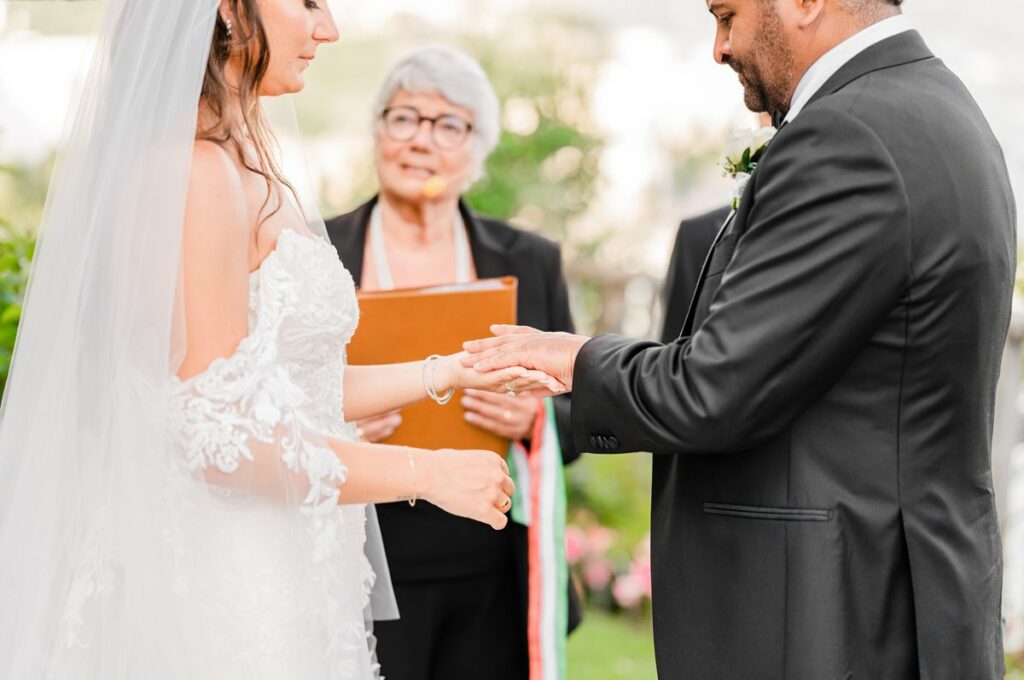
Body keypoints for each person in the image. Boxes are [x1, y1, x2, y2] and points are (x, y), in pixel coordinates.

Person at [0, 2, 562, 679]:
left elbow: (296, 387)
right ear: (227, 12)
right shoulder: (197, 174)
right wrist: (427, 473)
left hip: (292, 564)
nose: (328, 29)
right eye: (307, 3)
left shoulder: (247, 168)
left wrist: (449, 369)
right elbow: (219, 436)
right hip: (224, 579)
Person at [462, 1, 1017, 678]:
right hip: (900, 591)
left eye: (728, 14)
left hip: (826, 615)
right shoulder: (941, 110)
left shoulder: (848, 134)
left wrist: (576, 358)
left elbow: (714, 387)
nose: (718, 47)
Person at [325, 45, 581, 680]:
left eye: (447, 125)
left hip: (491, 568)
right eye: (403, 118)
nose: (420, 141)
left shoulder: (529, 259)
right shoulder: (316, 251)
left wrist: (534, 421)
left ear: (479, 147)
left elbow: (580, 408)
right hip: (360, 561)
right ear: (378, 130)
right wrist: (336, 425)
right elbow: (270, 397)